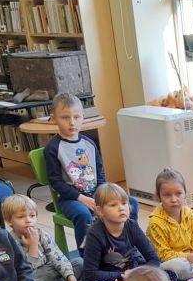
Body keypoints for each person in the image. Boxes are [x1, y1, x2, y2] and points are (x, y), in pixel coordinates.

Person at [43, 92, 138, 249]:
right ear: (54, 118)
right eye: (65, 117)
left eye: (77, 117)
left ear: (83, 117)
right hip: (71, 199)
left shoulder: (89, 144)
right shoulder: (53, 148)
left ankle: (126, 243)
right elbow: (56, 183)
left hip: (96, 194)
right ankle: (87, 255)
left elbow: (100, 174)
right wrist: (82, 198)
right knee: (83, 214)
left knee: (131, 203)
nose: (72, 122)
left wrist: (102, 195)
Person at [82, 182, 176, 281]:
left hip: (136, 276)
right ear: (100, 211)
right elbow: (89, 275)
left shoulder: (131, 226)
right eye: (113, 205)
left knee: (170, 275)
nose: (121, 209)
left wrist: (135, 276)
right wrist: (122, 276)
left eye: (124, 203)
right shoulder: (94, 234)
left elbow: (154, 259)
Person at [2, 194, 85, 281]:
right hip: (32, 279)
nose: (28, 220)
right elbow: (26, 272)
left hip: (47, 273)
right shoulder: (9, 242)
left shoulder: (41, 234)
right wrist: (33, 246)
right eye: (21, 217)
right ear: (9, 221)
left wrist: (72, 279)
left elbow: (58, 257)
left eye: (32, 216)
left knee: (79, 262)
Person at [145, 167, 193, 281]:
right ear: (159, 197)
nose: (174, 199)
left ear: (185, 193)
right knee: (180, 267)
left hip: (191, 258)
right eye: (167, 195)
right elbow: (163, 254)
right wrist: (188, 257)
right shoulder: (156, 222)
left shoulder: (190, 214)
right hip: (169, 262)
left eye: (178, 193)